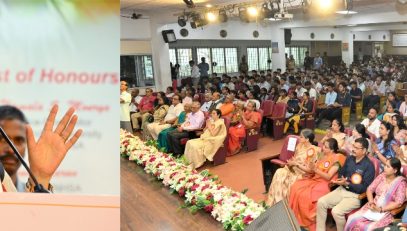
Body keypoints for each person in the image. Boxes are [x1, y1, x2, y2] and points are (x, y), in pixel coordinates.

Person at [0, 104, 82, 192]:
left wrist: (40, 177)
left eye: (19, 140)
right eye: (2, 140)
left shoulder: (30, 194)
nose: (11, 150)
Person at [316, 138, 375, 231]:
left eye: (356, 148)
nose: (353, 149)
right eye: (353, 146)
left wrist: (347, 183)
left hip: (356, 196)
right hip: (342, 189)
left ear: (364, 151)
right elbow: (341, 172)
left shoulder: (369, 166)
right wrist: (341, 180)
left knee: (336, 212)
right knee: (321, 202)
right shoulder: (350, 158)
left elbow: (364, 188)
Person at [289, 138, 345, 231]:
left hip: (326, 183)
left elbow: (328, 176)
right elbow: (311, 170)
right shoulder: (322, 156)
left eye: (326, 147)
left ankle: (308, 220)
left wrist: (315, 170)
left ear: (332, 149)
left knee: (306, 195)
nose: (323, 148)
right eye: (323, 146)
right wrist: (296, 164)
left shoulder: (338, 157)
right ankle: (296, 216)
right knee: (296, 186)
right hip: (315, 179)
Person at [345, 158, 406, 231]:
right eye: (385, 165)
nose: (384, 168)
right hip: (372, 206)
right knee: (352, 218)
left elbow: (398, 203)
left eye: (388, 166)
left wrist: (381, 209)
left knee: (369, 228)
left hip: (386, 212)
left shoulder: (400, 183)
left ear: (395, 170)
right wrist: (371, 202)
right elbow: (370, 189)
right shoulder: (382, 176)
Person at [267, 129, 320, 206]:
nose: (299, 138)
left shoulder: (313, 150)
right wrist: (290, 164)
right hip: (293, 169)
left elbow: (310, 170)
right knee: (279, 172)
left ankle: (287, 205)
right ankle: (277, 203)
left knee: (289, 180)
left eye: (301, 137)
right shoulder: (299, 146)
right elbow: (295, 159)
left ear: (307, 139)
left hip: (303, 174)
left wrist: (296, 164)